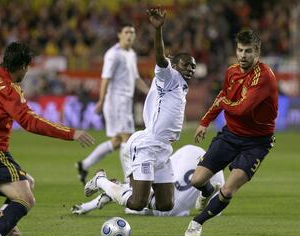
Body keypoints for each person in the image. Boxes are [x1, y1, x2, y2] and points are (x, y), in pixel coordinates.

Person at [0, 42, 95, 236]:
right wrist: (71, 133)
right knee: (27, 199)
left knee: (28, 182)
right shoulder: (9, 91)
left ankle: (5, 216)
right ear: (24, 66)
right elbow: (30, 122)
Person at [84, 7, 196, 214]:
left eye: (193, 67)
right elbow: (161, 57)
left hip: (163, 149)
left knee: (166, 205)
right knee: (137, 203)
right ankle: (102, 181)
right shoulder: (168, 76)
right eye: (187, 64)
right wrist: (158, 30)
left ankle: (119, 189)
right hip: (147, 144)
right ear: (174, 65)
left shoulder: (181, 85)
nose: (191, 69)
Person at [184, 29, 278, 236]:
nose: (243, 55)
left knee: (227, 189)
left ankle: (197, 223)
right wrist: (205, 121)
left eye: (248, 51)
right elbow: (223, 97)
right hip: (231, 135)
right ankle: (208, 191)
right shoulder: (232, 72)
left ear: (257, 52)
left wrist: (225, 102)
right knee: (196, 181)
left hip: (256, 143)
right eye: (240, 50)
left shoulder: (263, 77)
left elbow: (242, 108)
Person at [76, 21, 149, 184]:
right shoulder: (113, 54)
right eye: (127, 32)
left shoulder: (131, 54)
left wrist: (150, 92)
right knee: (127, 139)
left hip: (125, 101)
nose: (130, 35)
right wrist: (101, 100)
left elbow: (136, 79)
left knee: (117, 141)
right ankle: (129, 181)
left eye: (132, 32)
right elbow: (105, 78)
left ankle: (84, 164)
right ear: (119, 35)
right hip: (116, 101)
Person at [72, 145, 224, 216]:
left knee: (138, 200)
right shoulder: (173, 208)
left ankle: (105, 189)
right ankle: (106, 187)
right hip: (175, 188)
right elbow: (215, 211)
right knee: (137, 202)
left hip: (186, 157)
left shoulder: (192, 151)